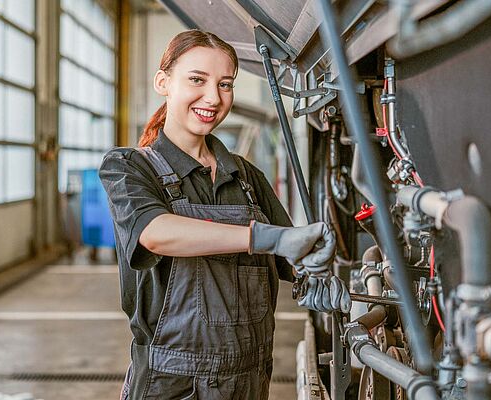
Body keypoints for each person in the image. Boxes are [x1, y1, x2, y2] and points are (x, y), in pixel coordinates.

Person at [99, 30, 351, 400]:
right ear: (163, 82)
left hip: (249, 379)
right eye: (197, 80)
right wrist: (263, 237)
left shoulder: (246, 176)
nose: (213, 97)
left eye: (226, 84)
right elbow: (155, 232)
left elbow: (289, 255)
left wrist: (312, 271)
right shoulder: (129, 166)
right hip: (175, 384)